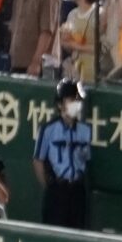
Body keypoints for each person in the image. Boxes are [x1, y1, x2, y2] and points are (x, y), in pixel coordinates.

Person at [34, 79, 92, 227]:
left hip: (77, 190)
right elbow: (38, 160)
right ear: (60, 104)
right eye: (72, 100)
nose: (76, 104)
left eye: (78, 100)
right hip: (57, 190)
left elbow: (86, 158)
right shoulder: (48, 129)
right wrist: (50, 187)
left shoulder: (85, 130)